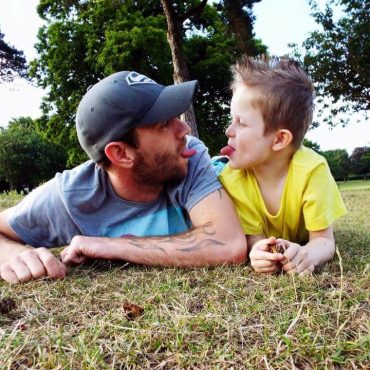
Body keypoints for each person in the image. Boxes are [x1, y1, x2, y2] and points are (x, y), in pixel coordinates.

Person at [0, 71, 247, 284]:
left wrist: (109, 245)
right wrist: (11, 254)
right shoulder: (70, 196)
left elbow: (227, 243)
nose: (184, 129)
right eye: (163, 124)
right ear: (121, 153)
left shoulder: (188, 155)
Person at [216, 57, 347, 275]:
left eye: (242, 123)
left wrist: (306, 255)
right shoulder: (232, 177)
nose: (229, 130)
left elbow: (323, 240)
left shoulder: (313, 170)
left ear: (279, 139)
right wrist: (257, 251)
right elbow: (253, 238)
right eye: (232, 120)